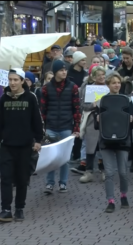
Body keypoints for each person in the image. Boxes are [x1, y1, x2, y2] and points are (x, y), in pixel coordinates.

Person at [0, 68, 43, 222]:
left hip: (25, 145)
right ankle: (6, 209)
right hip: (7, 145)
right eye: (10, 80)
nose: (12, 83)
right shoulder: (4, 99)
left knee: (22, 178)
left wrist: (38, 140)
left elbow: (37, 120)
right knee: (5, 178)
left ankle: (19, 208)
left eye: (16, 80)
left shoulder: (30, 98)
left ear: (22, 81)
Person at [40, 60, 81, 194]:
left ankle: (63, 183)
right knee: (51, 157)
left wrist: (76, 128)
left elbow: (76, 109)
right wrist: (43, 127)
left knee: (65, 157)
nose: (64, 72)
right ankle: (50, 183)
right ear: (56, 71)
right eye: (61, 70)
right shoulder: (46, 88)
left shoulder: (73, 87)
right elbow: (43, 109)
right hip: (51, 126)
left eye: (65, 70)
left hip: (66, 126)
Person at [97, 72, 133, 213]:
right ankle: (110, 200)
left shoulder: (127, 100)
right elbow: (98, 125)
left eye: (118, 82)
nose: (116, 85)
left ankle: (124, 195)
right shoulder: (102, 101)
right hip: (106, 141)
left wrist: (131, 119)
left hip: (123, 140)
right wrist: (97, 120)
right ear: (108, 85)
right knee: (109, 172)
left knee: (123, 172)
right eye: (113, 83)